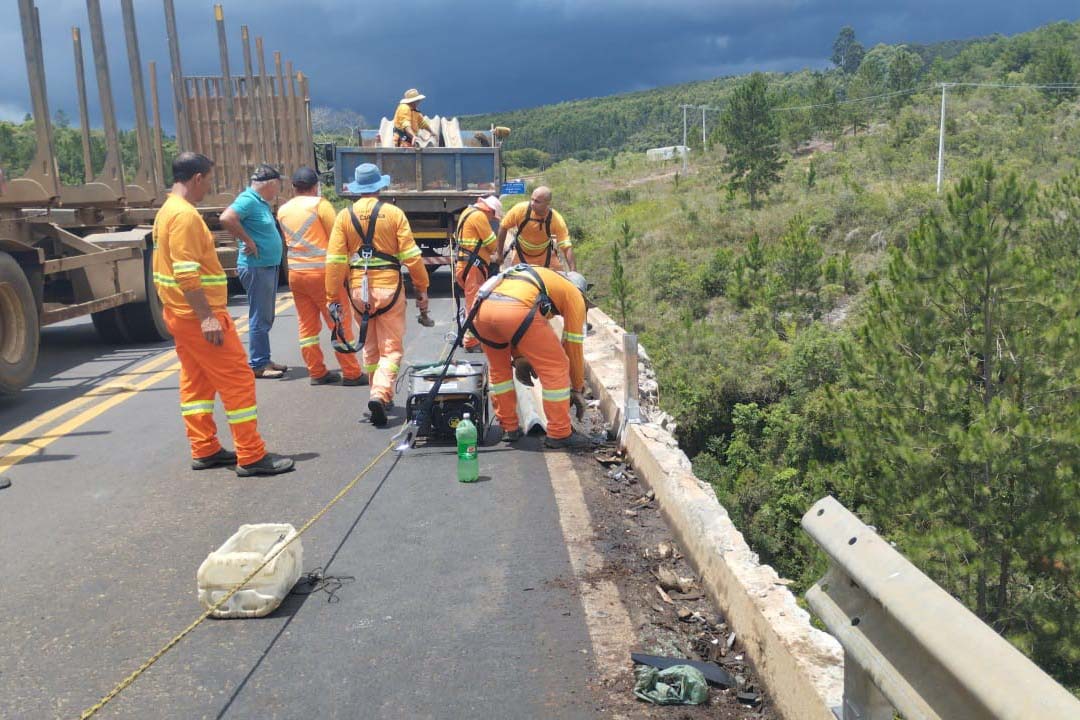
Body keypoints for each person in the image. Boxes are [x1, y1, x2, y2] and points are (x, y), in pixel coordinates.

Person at [152, 152, 293, 476]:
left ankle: (205, 448)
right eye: (210, 179)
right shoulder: (185, 216)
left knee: (197, 382)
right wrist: (208, 317)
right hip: (198, 315)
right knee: (238, 379)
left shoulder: (166, 211)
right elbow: (187, 274)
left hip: (179, 313)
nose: (210, 186)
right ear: (197, 178)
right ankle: (251, 455)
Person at [325, 163, 430, 427]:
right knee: (391, 348)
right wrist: (422, 288)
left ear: (358, 189)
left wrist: (332, 297)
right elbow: (412, 257)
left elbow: (336, 261)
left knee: (370, 346)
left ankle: (378, 393)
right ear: (380, 187)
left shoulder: (344, 216)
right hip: (389, 289)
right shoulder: (394, 214)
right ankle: (380, 393)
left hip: (359, 291)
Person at [468, 265, 593, 449]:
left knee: (499, 371)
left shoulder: (537, 278)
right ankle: (559, 433)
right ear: (581, 292)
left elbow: (512, 318)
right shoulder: (574, 295)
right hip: (514, 310)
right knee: (556, 367)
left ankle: (509, 427)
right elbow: (573, 345)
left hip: (481, 311)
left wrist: (519, 358)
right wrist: (576, 387)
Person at [276, 166, 365, 387]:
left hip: (296, 274)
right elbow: (337, 240)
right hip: (323, 275)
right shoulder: (320, 205)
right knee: (339, 322)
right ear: (315, 186)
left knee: (307, 327)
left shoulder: (283, 210)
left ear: (294, 187)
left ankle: (316, 371)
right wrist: (345, 272)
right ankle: (351, 372)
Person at [220, 164, 287, 378]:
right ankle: (258, 364)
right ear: (270, 184)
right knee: (260, 315)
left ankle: (264, 359)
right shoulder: (248, 199)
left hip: (266, 265)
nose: (278, 190)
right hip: (257, 267)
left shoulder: (260, 202)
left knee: (265, 314)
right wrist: (247, 240)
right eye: (277, 185)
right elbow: (226, 218)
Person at [454, 195, 503, 353]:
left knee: (472, 302)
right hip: (473, 268)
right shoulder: (479, 216)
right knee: (474, 305)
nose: (491, 219)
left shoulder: (467, 212)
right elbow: (492, 243)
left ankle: (471, 337)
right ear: (489, 210)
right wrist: (496, 256)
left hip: (466, 265)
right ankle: (471, 341)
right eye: (492, 216)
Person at [495, 186, 576, 272]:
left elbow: (566, 246)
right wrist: (499, 254)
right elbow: (503, 227)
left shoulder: (556, 219)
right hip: (520, 254)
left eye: (537, 201)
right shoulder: (520, 210)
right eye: (532, 199)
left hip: (545, 256)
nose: (532, 203)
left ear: (547, 204)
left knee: (559, 280)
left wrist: (574, 272)